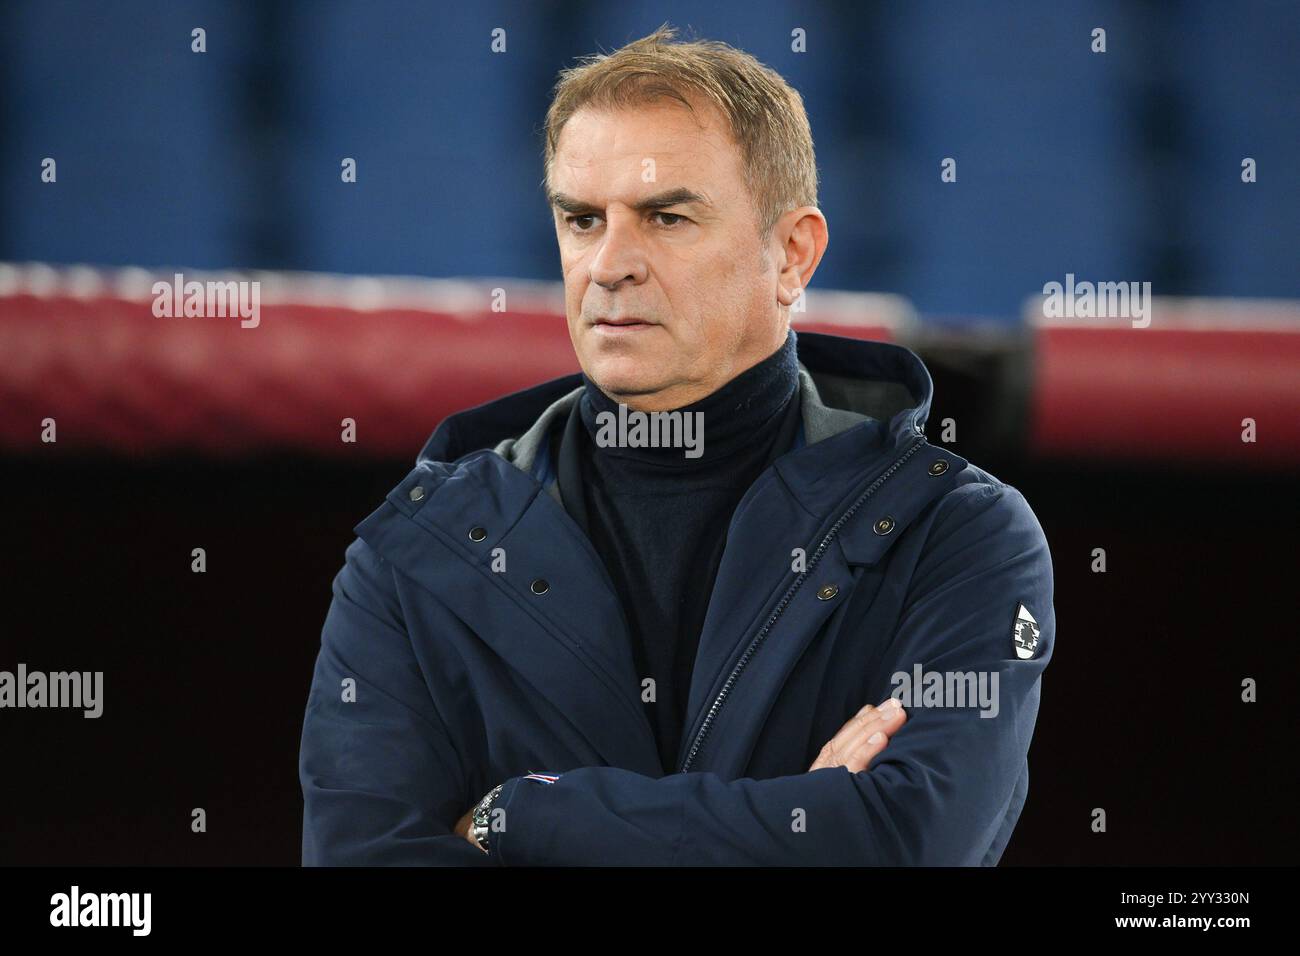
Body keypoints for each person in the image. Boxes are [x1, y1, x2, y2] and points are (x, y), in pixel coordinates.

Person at [298, 25, 1054, 866]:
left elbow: (908, 840)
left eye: (666, 217)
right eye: (582, 219)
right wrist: (800, 816)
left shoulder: (956, 535)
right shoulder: (413, 554)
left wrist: (527, 819)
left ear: (792, 254)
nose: (610, 264)